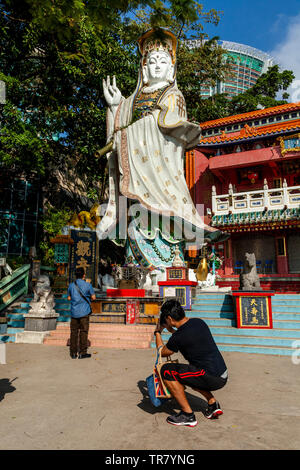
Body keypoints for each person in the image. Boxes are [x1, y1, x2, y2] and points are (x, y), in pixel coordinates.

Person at [97, 28, 229, 270]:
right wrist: (115, 107)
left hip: (161, 176)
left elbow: (170, 126)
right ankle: (137, 269)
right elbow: (119, 132)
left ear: (171, 70)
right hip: (136, 179)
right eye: (152, 62)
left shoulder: (173, 95)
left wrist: (138, 128)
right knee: (136, 220)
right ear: (144, 70)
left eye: (163, 62)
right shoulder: (131, 101)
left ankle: (166, 266)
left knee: (162, 222)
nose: (157, 66)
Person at [154, 299, 228, 427]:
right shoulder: (198, 322)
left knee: (166, 370)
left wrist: (158, 332)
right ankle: (212, 404)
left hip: (210, 377)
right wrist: (171, 330)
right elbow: (185, 336)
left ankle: (187, 415)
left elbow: (162, 351)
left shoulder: (178, 337)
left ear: (170, 319)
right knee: (191, 375)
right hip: (222, 374)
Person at [67, 267, 96, 359]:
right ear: (84, 275)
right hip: (84, 312)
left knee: (74, 332)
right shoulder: (88, 285)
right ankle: (82, 353)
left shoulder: (71, 285)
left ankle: (73, 353)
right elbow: (94, 297)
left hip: (74, 312)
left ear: (76, 275)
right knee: (83, 332)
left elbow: (69, 298)